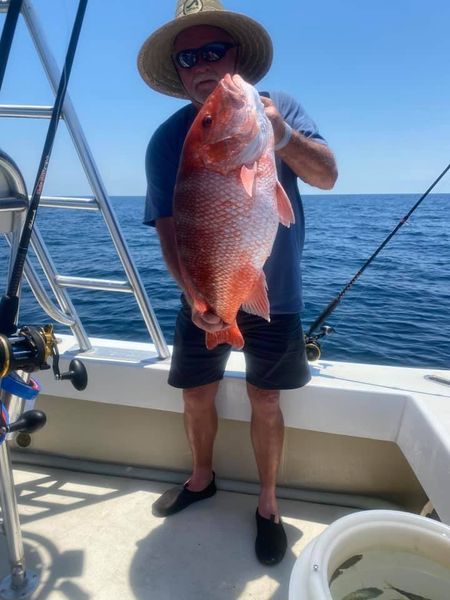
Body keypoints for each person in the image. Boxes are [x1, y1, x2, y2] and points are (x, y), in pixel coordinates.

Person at [138, 0, 338, 566]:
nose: (202, 64)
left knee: (266, 397)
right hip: (204, 288)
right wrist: (197, 297)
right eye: (187, 56)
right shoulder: (167, 141)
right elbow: (173, 233)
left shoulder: (278, 111)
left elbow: (325, 176)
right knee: (195, 391)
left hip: (276, 294)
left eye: (213, 50)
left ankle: (269, 506)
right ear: (178, 70)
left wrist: (279, 138)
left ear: (237, 57)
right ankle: (201, 478)